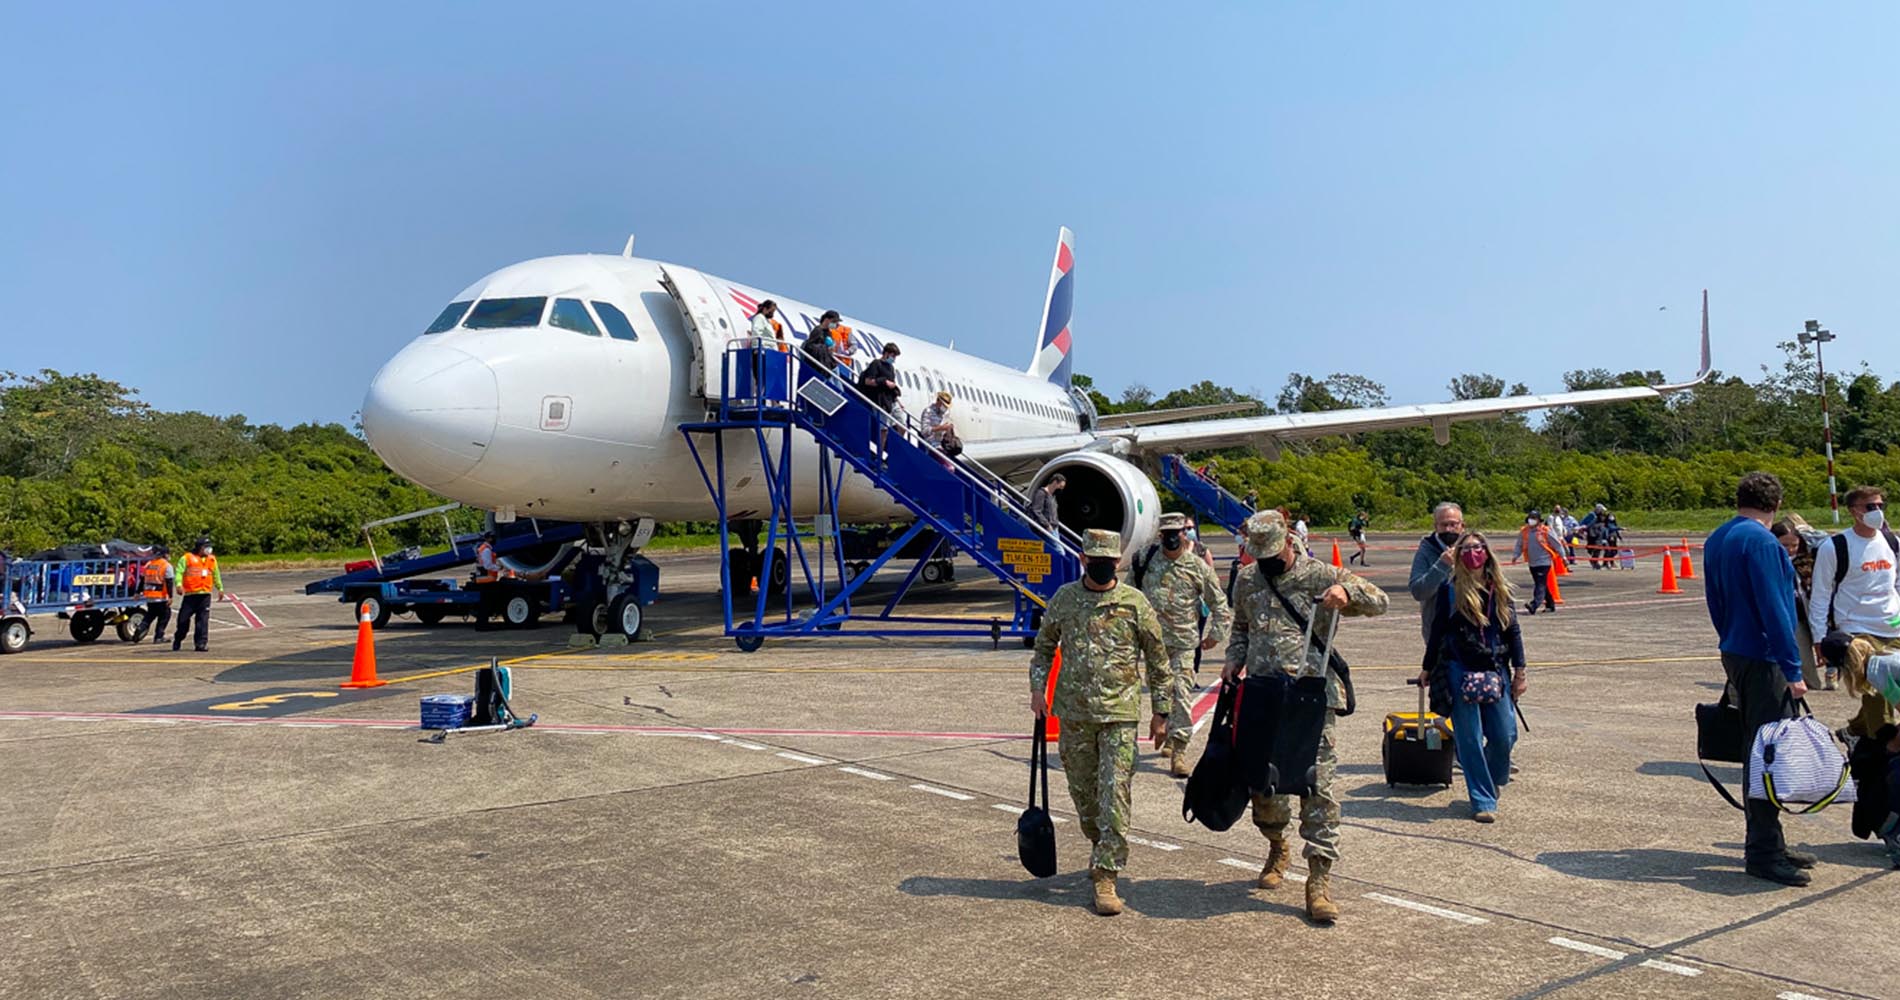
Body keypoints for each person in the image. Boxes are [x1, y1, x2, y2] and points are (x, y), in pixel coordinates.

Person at [1224, 510, 1388, 923]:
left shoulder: (1320, 574)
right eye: (1257, 556)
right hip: (1262, 696)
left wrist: (1347, 596)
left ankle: (1318, 880)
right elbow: (1240, 627)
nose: (1265, 563)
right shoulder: (1246, 579)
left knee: (1319, 789)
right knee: (1265, 788)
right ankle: (1277, 844)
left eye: (1272, 555)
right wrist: (1233, 659)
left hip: (1310, 699)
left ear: (1289, 543)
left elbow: (1379, 601)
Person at [1030, 529, 1172, 916]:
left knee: (1114, 794)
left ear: (1118, 562)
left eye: (1108, 561)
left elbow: (1159, 661)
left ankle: (1106, 874)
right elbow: (1043, 648)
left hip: (1120, 715)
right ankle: (1099, 844)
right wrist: (1037, 690)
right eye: (1094, 559)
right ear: (1083, 559)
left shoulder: (1134, 602)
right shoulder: (1065, 599)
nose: (1101, 566)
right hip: (1074, 715)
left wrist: (1161, 712)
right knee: (1085, 798)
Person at [1704, 471, 1815, 886]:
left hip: (1735, 649)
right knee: (1769, 757)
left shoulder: (1718, 538)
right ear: (1775, 505)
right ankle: (1764, 853)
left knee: (1759, 749)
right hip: (1765, 657)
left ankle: (1769, 840)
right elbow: (1776, 609)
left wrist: (1729, 639)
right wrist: (1793, 668)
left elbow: (1715, 599)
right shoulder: (1764, 542)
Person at [1420, 532, 1525, 822]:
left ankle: (1492, 781)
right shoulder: (1450, 589)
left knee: (1505, 734)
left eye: (1477, 547)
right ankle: (1482, 799)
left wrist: (1520, 671)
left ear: (1487, 552)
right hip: (1459, 668)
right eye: (1465, 549)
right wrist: (1428, 667)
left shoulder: (1500, 589)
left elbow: (1512, 632)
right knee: (1469, 737)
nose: (1472, 553)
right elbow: (1438, 630)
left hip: (1495, 668)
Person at [1134, 513, 1232, 777]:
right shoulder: (1144, 562)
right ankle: (1163, 725)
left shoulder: (1196, 567)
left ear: (1184, 534)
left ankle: (1179, 750)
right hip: (1153, 645)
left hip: (1184, 644)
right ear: (1160, 535)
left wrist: (1216, 634)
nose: (1172, 538)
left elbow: (1219, 604)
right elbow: (1128, 598)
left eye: (1178, 532)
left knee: (1181, 693)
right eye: (1167, 533)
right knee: (1160, 692)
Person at [1807, 485, 1900, 746]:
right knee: (1877, 693)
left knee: (1892, 686)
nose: (1877, 512)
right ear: (1853, 511)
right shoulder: (1835, 547)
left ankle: (1855, 732)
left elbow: (1897, 584)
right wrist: (1819, 637)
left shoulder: (1892, 542)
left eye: (1881, 506)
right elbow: (1821, 595)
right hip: (1857, 630)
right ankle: (1881, 750)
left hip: (1892, 625)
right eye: (1870, 507)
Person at [1772, 514, 1835, 689]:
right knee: (1802, 652)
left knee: (1826, 642)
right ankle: (1809, 681)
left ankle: (1832, 670)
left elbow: (1824, 540)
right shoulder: (1772, 561)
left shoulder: (1809, 558)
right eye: (1785, 545)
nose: (1790, 549)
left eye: (1794, 545)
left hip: (1812, 609)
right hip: (1792, 614)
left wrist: (1806, 531)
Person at [1409, 502, 1466, 641]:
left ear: (1462, 526)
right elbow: (1418, 591)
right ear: (1436, 527)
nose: (1448, 529)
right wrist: (1442, 565)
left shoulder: (1472, 548)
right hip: (1439, 631)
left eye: (1453, 524)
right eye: (1443, 525)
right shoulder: (1426, 550)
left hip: (1471, 629)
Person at [171, 536, 223, 652]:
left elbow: (216, 574)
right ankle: (178, 638)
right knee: (183, 621)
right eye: (206, 547)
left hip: (205, 595)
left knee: (202, 621)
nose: (209, 549)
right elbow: (179, 572)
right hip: (191, 595)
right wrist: (179, 584)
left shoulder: (212, 559)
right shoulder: (187, 558)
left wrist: (220, 588)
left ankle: (201, 643)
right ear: (200, 547)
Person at [858, 342, 903, 458]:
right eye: (893, 356)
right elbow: (868, 381)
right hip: (880, 400)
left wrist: (898, 401)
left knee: (902, 426)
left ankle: (894, 453)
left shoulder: (890, 367)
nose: (894, 359)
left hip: (891, 400)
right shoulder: (876, 364)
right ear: (886, 353)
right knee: (884, 429)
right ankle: (880, 454)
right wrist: (883, 381)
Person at [1510, 511, 1559, 614]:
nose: (1531, 520)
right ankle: (1550, 604)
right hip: (1532, 562)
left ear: (1538, 520)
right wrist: (1515, 556)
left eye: (1533, 518)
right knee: (1542, 584)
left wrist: (1563, 557)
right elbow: (1519, 545)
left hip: (1544, 562)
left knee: (1539, 584)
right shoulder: (1524, 531)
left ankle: (1534, 605)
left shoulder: (1545, 530)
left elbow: (1556, 543)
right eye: (1530, 518)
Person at [132, 545, 174, 643]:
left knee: (150, 615)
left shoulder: (149, 564)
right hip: (161, 596)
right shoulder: (166, 565)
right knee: (165, 615)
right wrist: (170, 596)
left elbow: (142, 579)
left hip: (150, 596)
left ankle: (141, 628)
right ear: (165, 554)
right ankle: (159, 636)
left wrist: (138, 592)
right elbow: (169, 582)